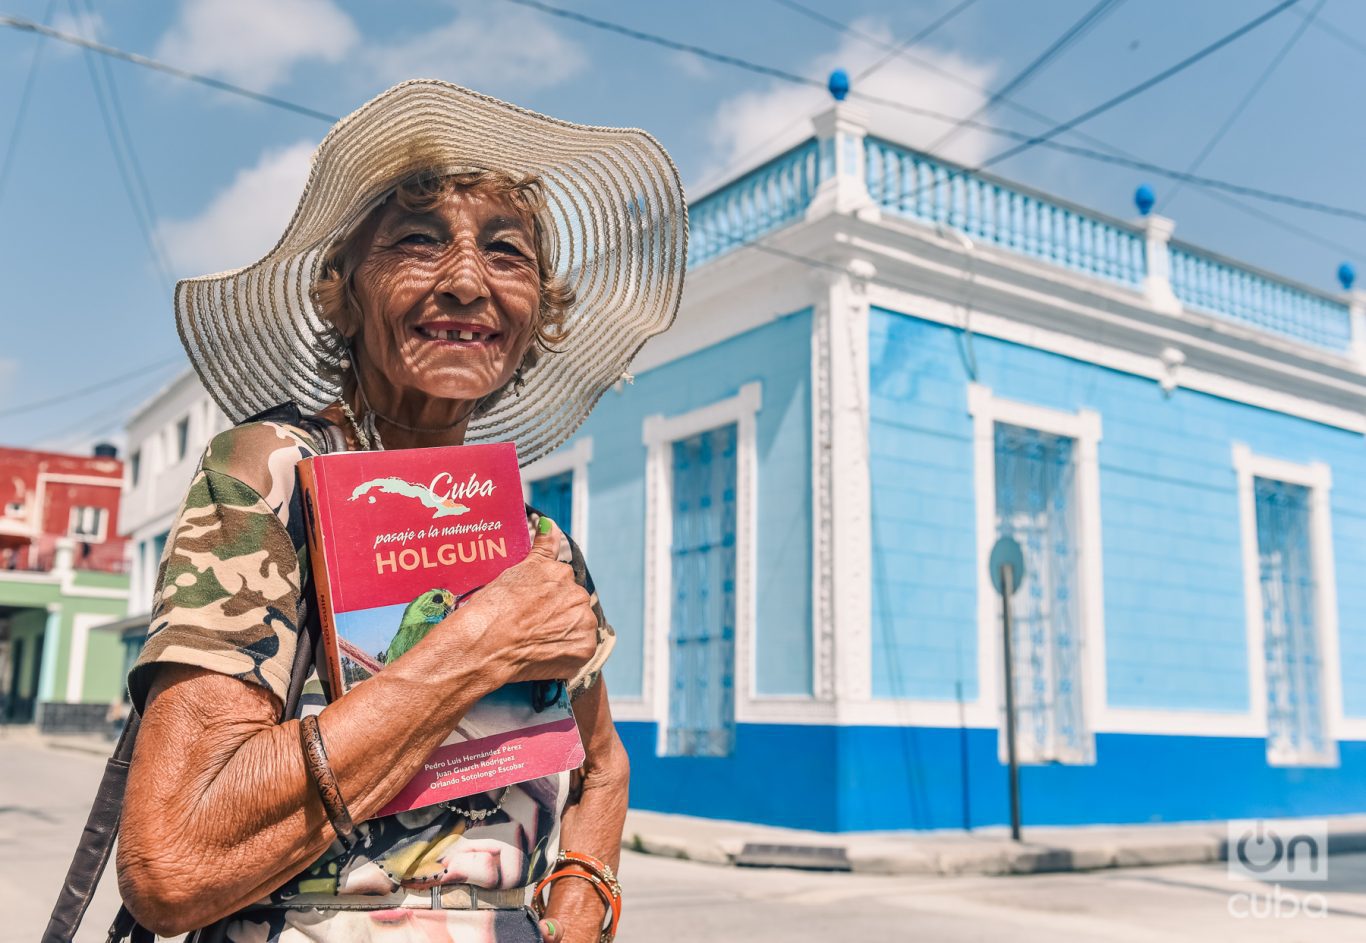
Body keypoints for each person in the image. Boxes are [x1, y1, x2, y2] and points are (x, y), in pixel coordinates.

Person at [116, 79, 687, 943]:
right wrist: (479, 645)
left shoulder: (537, 547)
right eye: (418, 244)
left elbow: (603, 762)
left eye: (507, 255)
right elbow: (171, 858)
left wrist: (585, 882)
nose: (466, 280)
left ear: (537, 317)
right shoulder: (275, 471)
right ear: (341, 293)